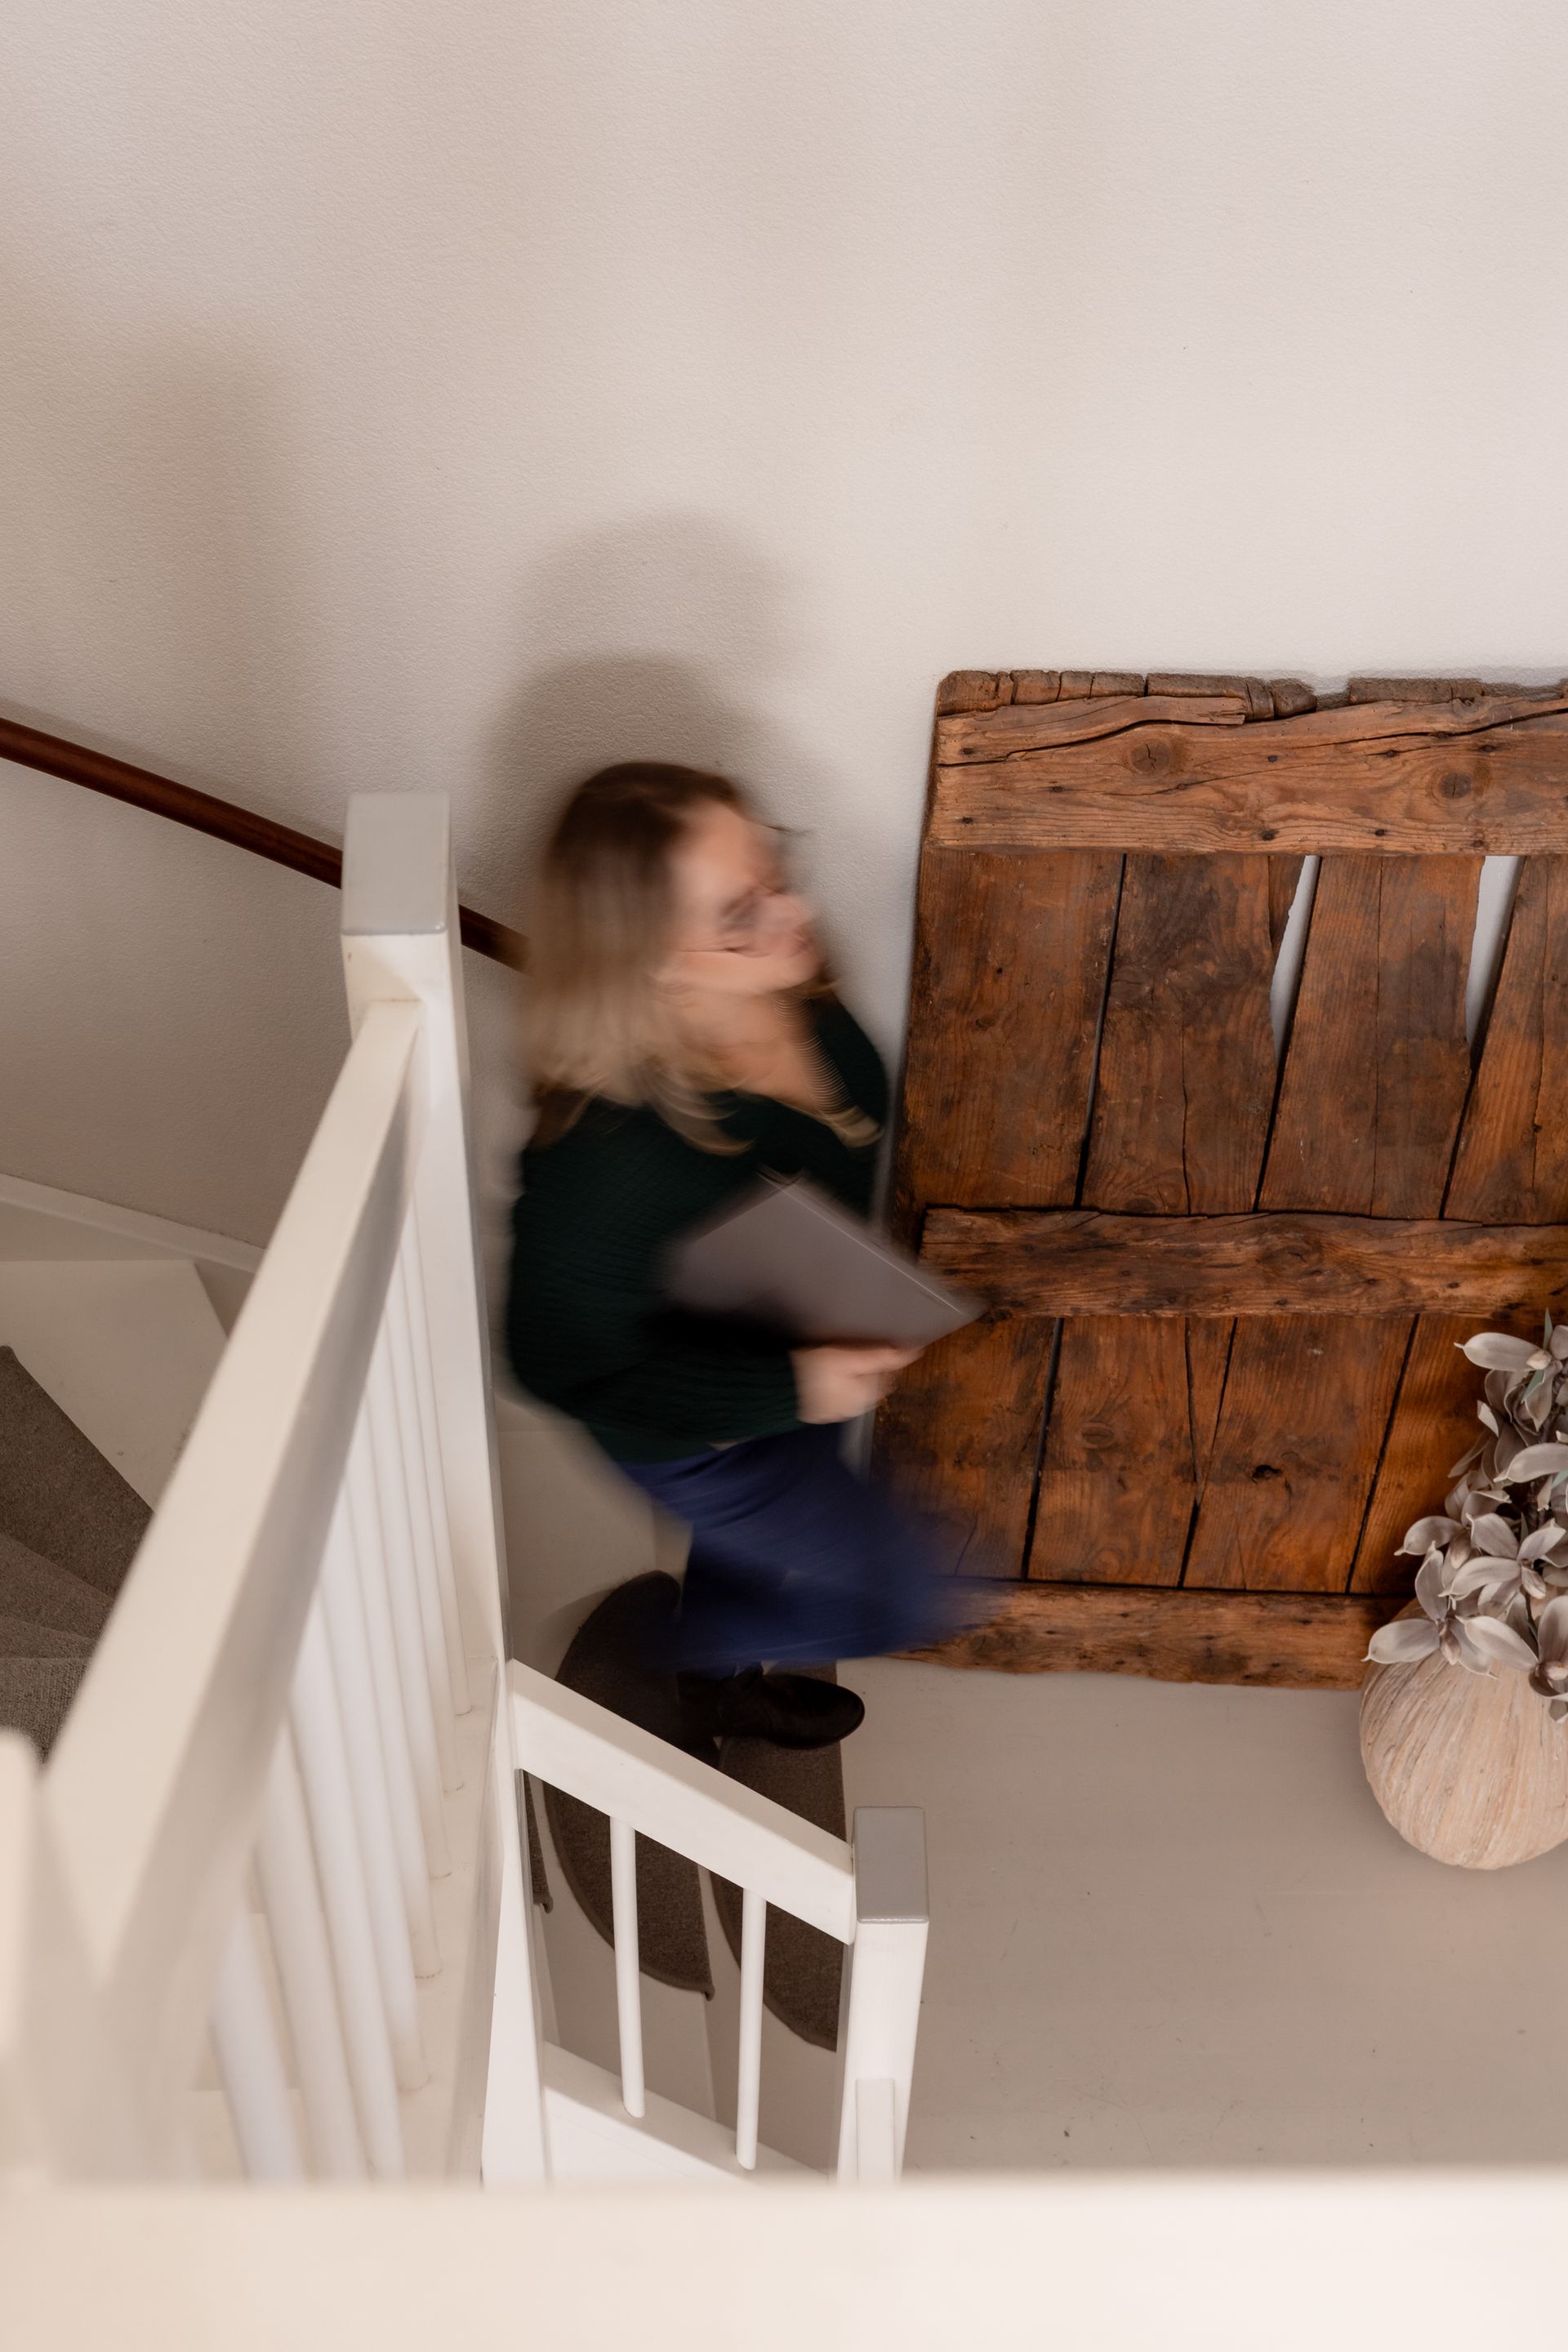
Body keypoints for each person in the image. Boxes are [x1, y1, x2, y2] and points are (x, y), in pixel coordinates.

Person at [506, 760, 959, 1754]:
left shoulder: (800, 985)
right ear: (652, 963)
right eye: (739, 913)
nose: (793, 912)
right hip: (703, 1429)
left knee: (751, 1559)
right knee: (912, 1591)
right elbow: (558, 1365)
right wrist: (794, 1388)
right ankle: (670, 1651)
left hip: (793, 1348)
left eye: (776, 871)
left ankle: (716, 1686)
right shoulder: (612, 1153)